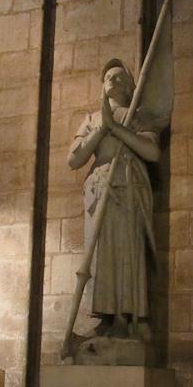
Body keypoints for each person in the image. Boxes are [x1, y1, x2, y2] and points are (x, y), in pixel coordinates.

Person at [67, 58, 164, 340]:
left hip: (128, 185)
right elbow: (74, 159)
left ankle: (128, 316)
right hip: (99, 189)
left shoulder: (137, 115)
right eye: (109, 76)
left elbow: (152, 152)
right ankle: (106, 317)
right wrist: (102, 127)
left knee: (126, 251)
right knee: (101, 254)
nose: (113, 79)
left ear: (131, 86)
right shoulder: (91, 119)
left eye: (120, 76)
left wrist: (118, 128)